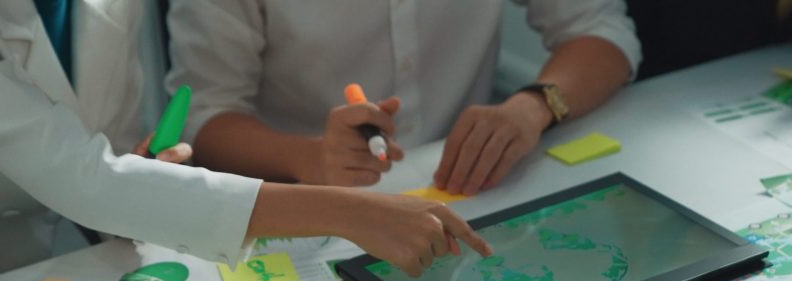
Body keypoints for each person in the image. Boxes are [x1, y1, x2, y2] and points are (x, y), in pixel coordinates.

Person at [0, 0, 490, 278]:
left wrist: (148, 173)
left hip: (87, 262)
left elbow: (108, 151)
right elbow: (89, 178)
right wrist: (348, 211)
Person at [166, 0, 641, 196]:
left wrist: (533, 106)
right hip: (303, 201)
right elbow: (202, 113)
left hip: (472, 189)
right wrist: (308, 157)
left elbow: (600, 29)